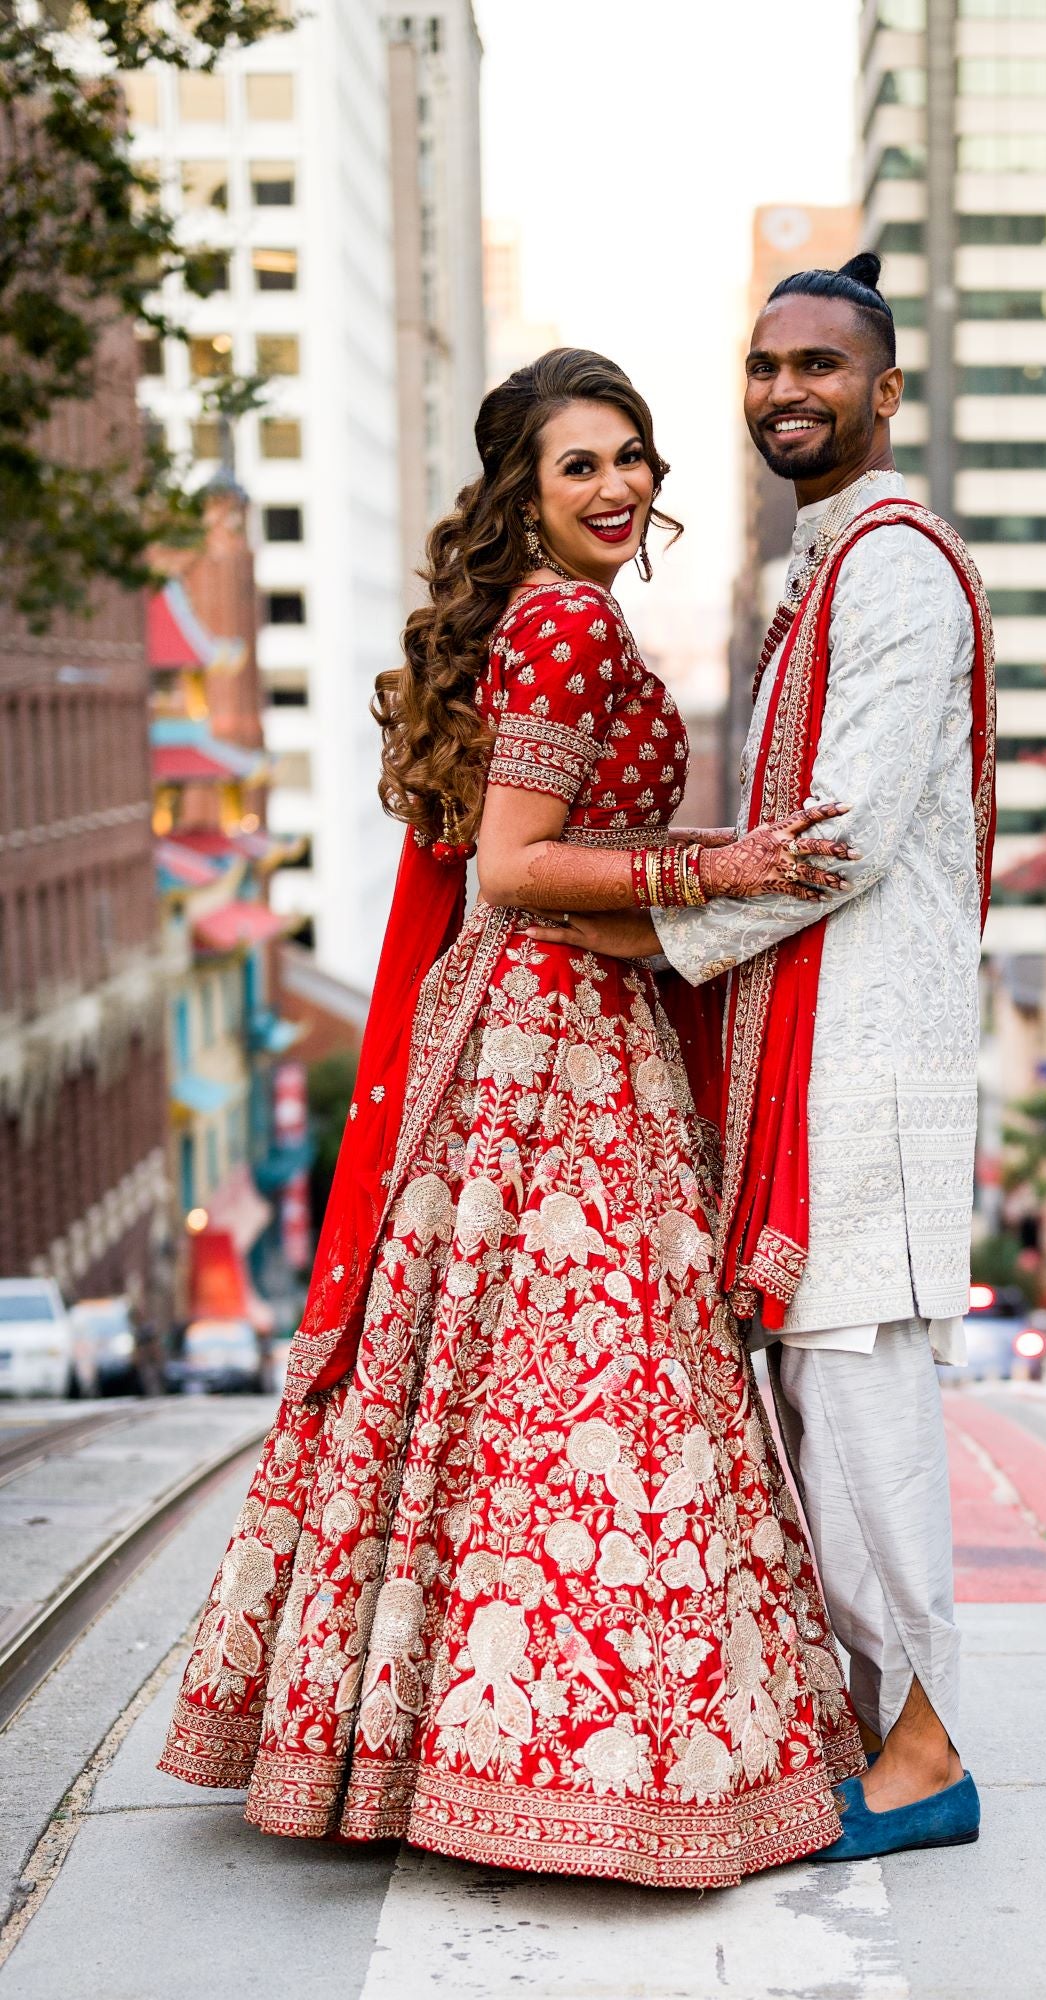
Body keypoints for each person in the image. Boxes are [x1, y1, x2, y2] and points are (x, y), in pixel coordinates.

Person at [158, 347, 867, 1889]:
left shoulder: (571, 616)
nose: (619, 488)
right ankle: (580, 1764)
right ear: (522, 498)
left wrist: (693, 871)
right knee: (598, 1392)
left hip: (572, 1026)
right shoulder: (557, 625)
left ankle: (469, 1755)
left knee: (519, 1395)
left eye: (634, 459)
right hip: (549, 1050)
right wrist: (723, 868)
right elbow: (516, 870)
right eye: (581, 467)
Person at [529, 258, 996, 1862]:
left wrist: (645, 928)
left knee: (861, 1399)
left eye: (820, 366)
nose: (784, 389)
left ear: (883, 390)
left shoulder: (895, 570)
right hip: (809, 1042)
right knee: (820, 1395)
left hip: (867, 1047)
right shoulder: (826, 565)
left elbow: (842, 841)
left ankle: (925, 1754)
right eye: (762, 364)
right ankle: (887, 1727)